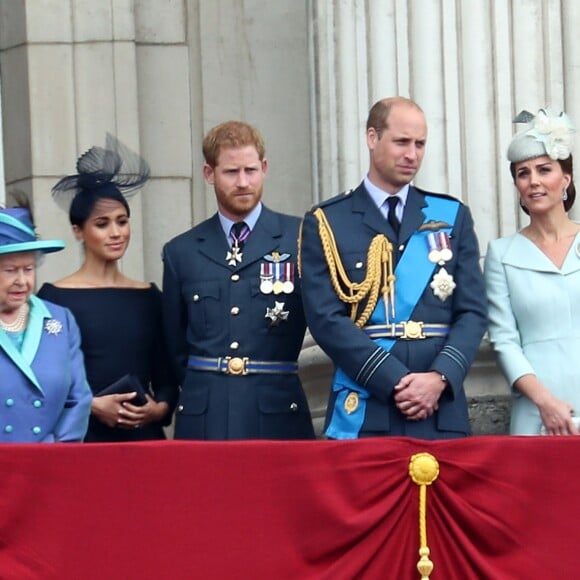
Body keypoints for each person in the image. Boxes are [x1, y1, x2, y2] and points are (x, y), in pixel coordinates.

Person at [299, 96, 488, 439]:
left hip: (439, 407)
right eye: (402, 142)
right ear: (373, 138)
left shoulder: (450, 216)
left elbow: (473, 312)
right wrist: (394, 379)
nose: (412, 154)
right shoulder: (328, 221)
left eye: (420, 144)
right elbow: (325, 318)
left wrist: (440, 377)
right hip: (367, 402)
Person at [162, 120, 315, 440]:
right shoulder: (182, 251)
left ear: (264, 167)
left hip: (276, 414)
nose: (243, 182)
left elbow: (326, 319)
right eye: (231, 172)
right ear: (209, 174)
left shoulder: (300, 237)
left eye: (251, 170)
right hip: (207, 417)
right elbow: (175, 346)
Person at [37, 135, 178, 442]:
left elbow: (167, 377)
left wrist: (158, 409)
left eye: (122, 221)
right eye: (102, 224)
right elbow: (43, 380)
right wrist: (91, 405)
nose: (116, 233)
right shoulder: (53, 299)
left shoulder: (149, 297)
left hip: (144, 442)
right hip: (82, 442)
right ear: (78, 231)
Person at [485, 108, 580, 436]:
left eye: (544, 169)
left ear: (565, 179)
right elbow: (504, 341)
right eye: (523, 173)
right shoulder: (501, 254)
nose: (533, 181)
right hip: (536, 414)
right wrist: (546, 403)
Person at [0, 202, 92, 442]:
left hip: (49, 464)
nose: (22, 281)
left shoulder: (60, 320)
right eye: (10, 270)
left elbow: (78, 398)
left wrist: (56, 451)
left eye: (28, 269)